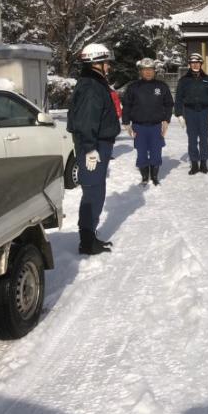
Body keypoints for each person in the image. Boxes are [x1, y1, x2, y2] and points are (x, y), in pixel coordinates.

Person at [67, 43, 121, 255]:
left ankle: (90, 237)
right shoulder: (91, 86)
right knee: (93, 193)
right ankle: (87, 242)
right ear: (96, 63)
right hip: (94, 145)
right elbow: (87, 120)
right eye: (106, 62)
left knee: (96, 191)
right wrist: (90, 148)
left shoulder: (94, 83)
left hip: (99, 144)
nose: (109, 66)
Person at [121, 57, 174, 186]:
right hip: (139, 126)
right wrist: (126, 122)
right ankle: (145, 177)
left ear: (154, 71)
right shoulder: (133, 87)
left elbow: (168, 104)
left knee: (156, 152)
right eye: (145, 70)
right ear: (140, 71)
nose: (148, 72)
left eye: (150, 69)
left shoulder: (161, 86)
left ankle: (155, 176)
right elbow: (127, 105)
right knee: (142, 152)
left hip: (156, 126)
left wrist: (166, 120)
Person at [174, 53, 208, 175]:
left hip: (205, 112)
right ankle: (194, 164)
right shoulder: (183, 80)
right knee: (192, 139)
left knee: (204, 138)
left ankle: (204, 163)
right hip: (190, 112)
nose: (195, 65)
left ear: (200, 64)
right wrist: (179, 114)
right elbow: (178, 98)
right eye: (192, 63)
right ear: (189, 64)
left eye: (197, 63)